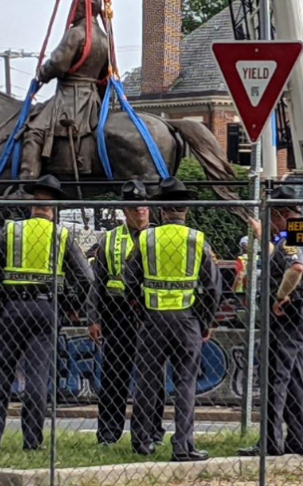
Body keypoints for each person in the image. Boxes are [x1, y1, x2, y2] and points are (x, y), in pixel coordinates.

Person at [0, 175, 93, 450]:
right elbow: (87, 277)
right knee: (38, 375)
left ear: (32, 204)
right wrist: (71, 304)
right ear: (53, 207)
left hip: (12, 308)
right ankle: (32, 440)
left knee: (2, 371)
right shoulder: (61, 235)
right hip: (46, 308)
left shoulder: (11, 231)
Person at [125, 177, 222, 461]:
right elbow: (214, 287)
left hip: (153, 321)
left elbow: (129, 280)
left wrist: (141, 309)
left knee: (147, 382)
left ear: (161, 210)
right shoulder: (197, 239)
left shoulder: (146, 239)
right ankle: (183, 445)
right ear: (186, 211)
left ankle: (141, 441)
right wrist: (205, 321)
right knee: (185, 383)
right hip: (187, 321)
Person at [239, 184, 303, 458]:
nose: (271, 223)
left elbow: (295, 268)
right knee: (294, 379)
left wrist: (280, 296)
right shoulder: (299, 234)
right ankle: (298, 440)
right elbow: (282, 255)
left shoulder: (291, 237)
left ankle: (270, 443)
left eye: (272, 217)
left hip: (288, 317)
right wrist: (262, 234)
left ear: (283, 214)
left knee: (274, 379)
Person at [19, 0, 110, 181]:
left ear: (80, 7)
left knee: (34, 129)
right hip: (93, 97)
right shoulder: (104, 38)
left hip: (70, 97)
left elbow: (59, 64)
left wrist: (42, 74)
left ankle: (26, 181)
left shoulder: (76, 33)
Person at [87, 179, 153, 447]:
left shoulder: (158, 235)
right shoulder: (111, 238)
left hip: (150, 314)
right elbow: (97, 281)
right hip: (117, 314)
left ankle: (151, 432)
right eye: (134, 206)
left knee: (151, 379)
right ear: (124, 210)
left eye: (143, 205)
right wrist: (93, 317)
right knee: (114, 376)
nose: (140, 210)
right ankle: (108, 434)